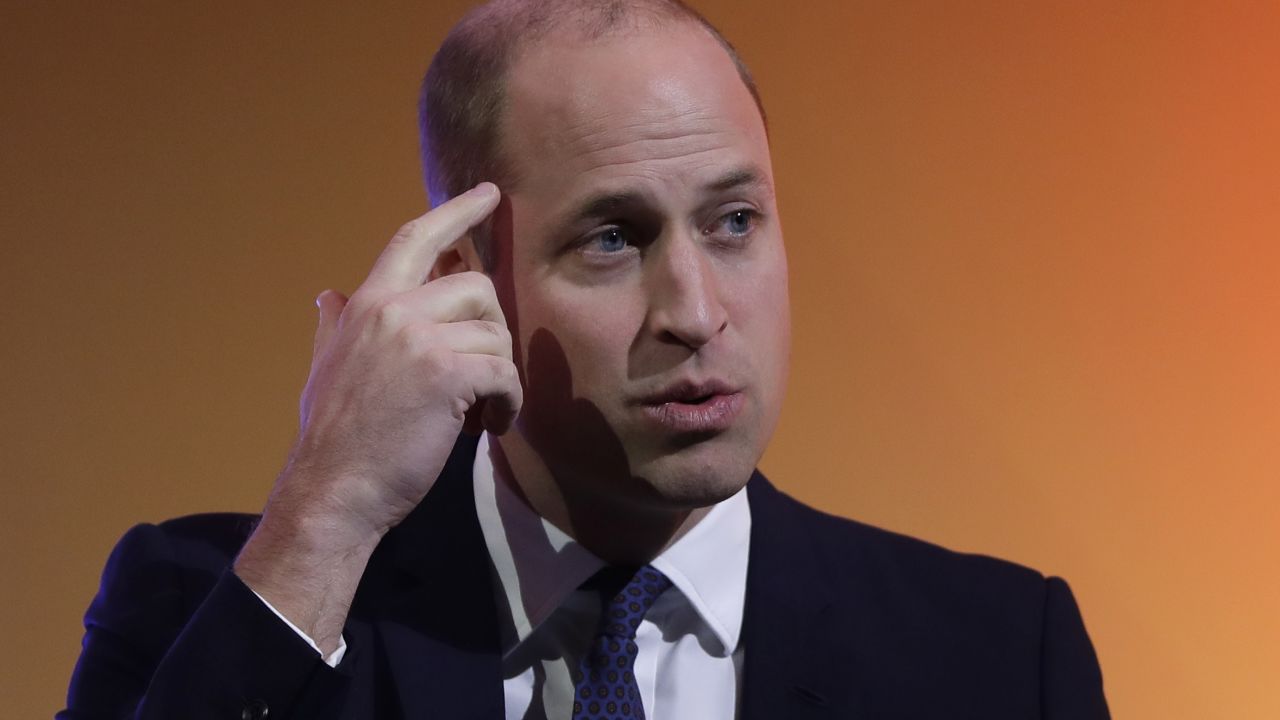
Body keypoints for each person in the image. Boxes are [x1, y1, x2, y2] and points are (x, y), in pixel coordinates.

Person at [60, 1, 1110, 718]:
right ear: (466, 282)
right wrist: (323, 520)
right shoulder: (216, 601)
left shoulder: (997, 656)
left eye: (734, 220)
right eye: (612, 238)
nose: (696, 312)